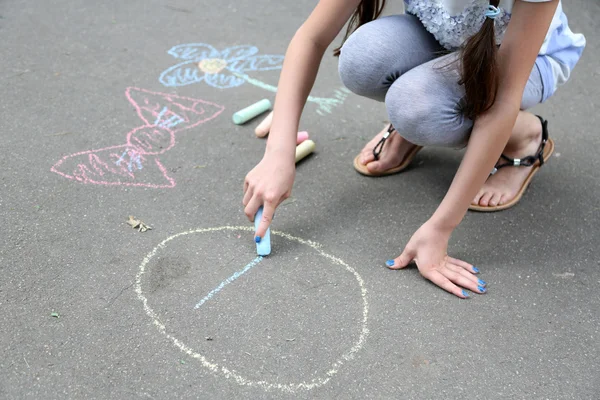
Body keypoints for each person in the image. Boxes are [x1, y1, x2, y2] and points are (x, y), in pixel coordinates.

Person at [242, 0, 585, 298]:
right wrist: (278, 153)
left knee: (420, 109)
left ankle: (525, 136)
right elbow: (311, 36)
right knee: (361, 59)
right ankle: (419, 119)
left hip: (524, 59)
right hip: (445, 39)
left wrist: (441, 228)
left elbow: (502, 100)